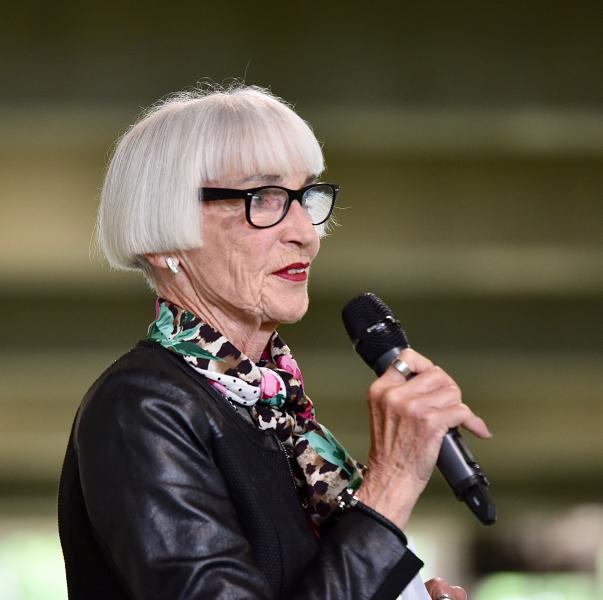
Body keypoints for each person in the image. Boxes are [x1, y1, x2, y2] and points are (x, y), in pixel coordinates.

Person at [58, 84, 490, 599]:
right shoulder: (141, 406)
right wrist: (392, 480)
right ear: (163, 237)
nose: (307, 233)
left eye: (306, 196)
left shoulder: (272, 415)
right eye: (263, 198)